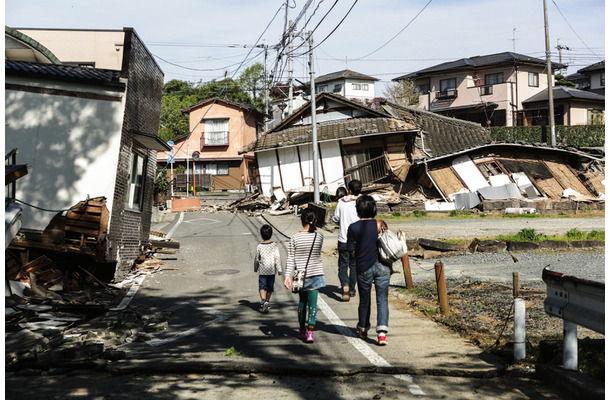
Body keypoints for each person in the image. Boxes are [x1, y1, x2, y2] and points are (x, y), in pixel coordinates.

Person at [347, 195, 391, 346]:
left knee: (365, 300)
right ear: (374, 209)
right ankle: (382, 334)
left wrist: (360, 253)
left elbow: (351, 251)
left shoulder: (353, 228)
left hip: (364, 267)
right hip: (383, 267)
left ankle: (364, 328)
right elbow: (388, 246)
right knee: (382, 299)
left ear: (358, 210)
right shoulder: (381, 224)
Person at [284, 209, 325, 343]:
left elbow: (291, 257)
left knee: (302, 303)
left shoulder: (294, 237)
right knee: (313, 304)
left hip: (299, 275)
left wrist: (287, 276)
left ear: (301, 220)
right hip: (315, 274)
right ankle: (310, 332)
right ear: (316, 221)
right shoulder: (319, 237)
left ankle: (301, 329)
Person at [332, 179, 361, 301]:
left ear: (349, 190)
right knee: (354, 266)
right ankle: (352, 289)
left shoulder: (341, 203)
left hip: (344, 239)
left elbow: (336, 218)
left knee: (343, 265)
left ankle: (345, 285)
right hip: (357, 240)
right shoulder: (360, 203)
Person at [254, 224, 282, 313]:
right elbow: (277, 258)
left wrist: (255, 268)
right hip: (271, 271)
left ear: (261, 235)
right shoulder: (274, 246)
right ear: (271, 234)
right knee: (270, 288)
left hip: (262, 271)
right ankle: (267, 301)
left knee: (262, 287)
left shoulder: (259, 246)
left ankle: (263, 301)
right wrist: (279, 269)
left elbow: (257, 259)